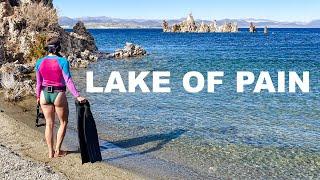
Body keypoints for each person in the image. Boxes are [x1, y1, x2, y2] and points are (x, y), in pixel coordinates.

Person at [35, 37, 86, 158]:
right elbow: (68, 80)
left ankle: (50, 152)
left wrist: (38, 96)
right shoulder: (63, 61)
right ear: (59, 48)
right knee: (63, 122)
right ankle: (58, 150)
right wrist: (77, 96)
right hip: (58, 94)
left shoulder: (39, 62)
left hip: (44, 94)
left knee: (49, 123)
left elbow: (38, 83)